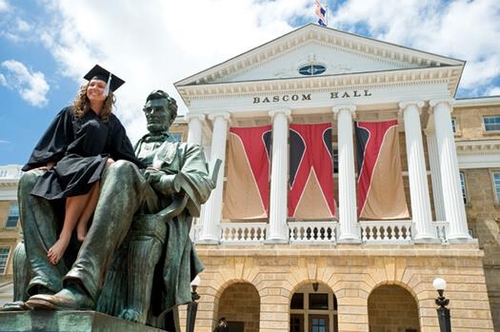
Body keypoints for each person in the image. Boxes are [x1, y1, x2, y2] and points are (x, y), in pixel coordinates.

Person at [24, 89, 216, 327]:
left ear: (171, 114)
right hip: (106, 204)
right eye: (149, 109)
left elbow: (201, 184)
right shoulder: (129, 144)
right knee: (32, 180)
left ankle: (82, 285)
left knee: (123, 168)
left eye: (159, 109)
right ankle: (47, 282)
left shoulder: (186, 150)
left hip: (152, 205)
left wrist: (162, 179)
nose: (152, 114)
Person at [22, 64, 144, 266]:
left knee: (104, 167)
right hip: (70, 161)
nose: (94, 88)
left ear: (108, 94)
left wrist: (144, 168)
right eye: (92, 84)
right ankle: (66, 234)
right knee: (101, 164)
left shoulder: (112, 122)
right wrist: (48, 163)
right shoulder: (71, 112)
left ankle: (81, 224)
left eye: (100, 86)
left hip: (95, 165)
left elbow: (124, 150)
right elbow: (55, 139)